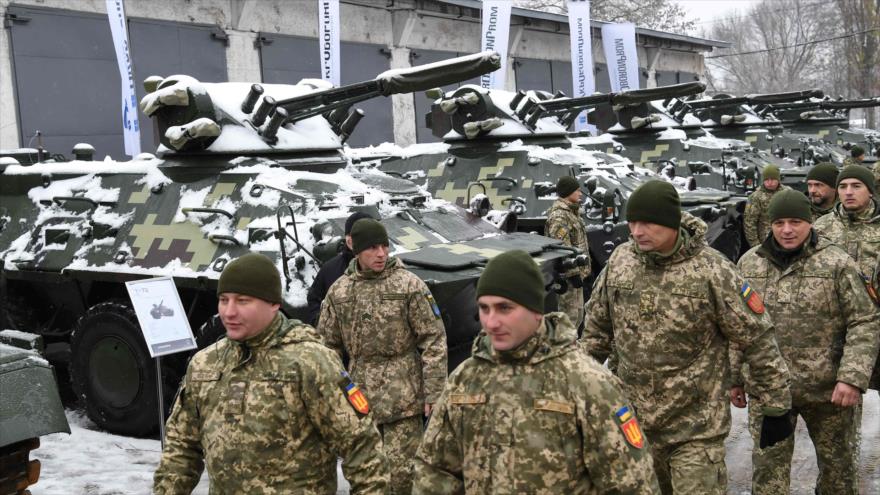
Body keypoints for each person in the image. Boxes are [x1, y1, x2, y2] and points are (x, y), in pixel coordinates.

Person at [583, 180, 793, 495]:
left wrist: (777, 404)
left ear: (672, 223)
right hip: (634, 425)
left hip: (696, 429)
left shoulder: (711, 270)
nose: (638, 231)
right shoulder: (621, 262)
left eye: (648, 223)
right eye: (633, 222)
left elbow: (756, 336)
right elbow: (596, 333)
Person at [413, 250, 661, 494]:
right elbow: (435, 470)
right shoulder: (465, 380)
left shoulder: (587, 382)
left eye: (504, 308)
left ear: (535, 309)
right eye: (484, 308)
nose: (491, 322)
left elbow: (632, 484)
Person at [154, 253, 388, 494]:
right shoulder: (205, 364)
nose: (229, 312)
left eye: (243, 301)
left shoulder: (311, 362)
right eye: (224, 300)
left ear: (274, 304)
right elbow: (182, 448)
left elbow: (363, 449)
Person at [730, 190, 880, 495]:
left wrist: (852, 377)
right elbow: (737, 326)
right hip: (770, 394)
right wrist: (734, 378)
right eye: (780, 222)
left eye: (796, 222)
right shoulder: (749, 265)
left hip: (828, 394)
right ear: (770, 225)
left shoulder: (837, 263)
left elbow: (864, 320)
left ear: (810, 222)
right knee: (768, 477)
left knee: (838, 476)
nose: (787, 230)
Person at [318, 218, 447, 495]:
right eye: (372, 248)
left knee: (404, 478)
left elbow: (433, 339)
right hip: (360, 402)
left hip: (404, 398)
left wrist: (434, 392)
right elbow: (326, 351)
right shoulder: (339, 292)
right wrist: (332, 398)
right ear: (357, 251)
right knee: (367, 480)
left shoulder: (409, 286)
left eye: (384, 247)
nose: (380, 254)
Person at [306, 211, 374, 326]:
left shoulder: (386, 268)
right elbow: (314, 299)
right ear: (349, 241)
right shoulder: (330, 270)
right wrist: (323, 325)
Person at [544, 175, 591, 328]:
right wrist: (574, 273)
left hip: (576, 274)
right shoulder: (559, 216)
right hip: (567, 277)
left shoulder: (572, 212)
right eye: (577, 190)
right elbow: (564, 248)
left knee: (577, 316)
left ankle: (572, 348)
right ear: (567, 192)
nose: (580, 193)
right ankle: (563, 350)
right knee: (568, 320)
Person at [744, 164, 790, 247]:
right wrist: (755, 246)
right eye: (766, 180)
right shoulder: (756, 197)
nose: (769, 183)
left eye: (772, 179)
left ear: (778, 179)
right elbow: (750, 223)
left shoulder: (788, 192)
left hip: (787, 237)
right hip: (766, 242)